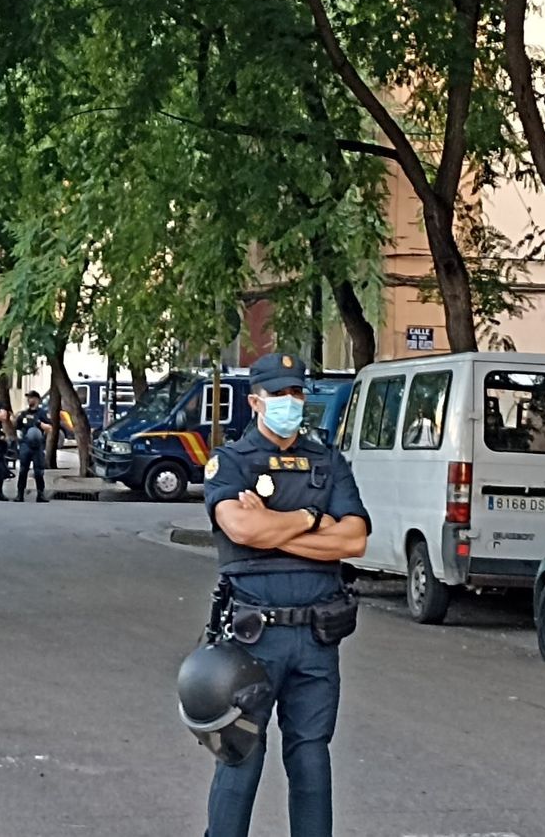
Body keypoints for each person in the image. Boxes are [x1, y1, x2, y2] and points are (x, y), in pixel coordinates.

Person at [196, 352, 370, 837]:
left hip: (317, 636)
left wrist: (274, 527)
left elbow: (354, 539)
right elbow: (240, 526)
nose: (291, 402)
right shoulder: (230, 462)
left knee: (311, 756)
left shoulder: (327, 462)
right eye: (279, 394)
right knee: (240, 756)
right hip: (253, 638)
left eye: (297, 392)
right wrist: (313, 519)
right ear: (256, 401)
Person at [12, 390, 52, 502]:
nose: (29, 400)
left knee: (38, 471)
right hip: (26, 445)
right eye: (28, 398)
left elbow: (50, 428)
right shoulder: (24, 414)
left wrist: (40, 424)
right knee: (23, 470)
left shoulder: (42, 413)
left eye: (31, 398)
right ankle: (20, 494)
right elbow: (16, 427)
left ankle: (40, 494)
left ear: (37, 399)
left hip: (37, 446)